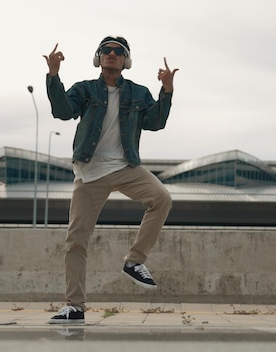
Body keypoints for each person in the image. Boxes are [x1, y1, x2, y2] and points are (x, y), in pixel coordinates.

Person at [43, 36, 179, 325]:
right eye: (107, 50)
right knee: (76, 240)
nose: (112, 54)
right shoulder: (86, 89)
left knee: (162, 199)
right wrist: (54, 76)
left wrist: (166, 91)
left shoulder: (138, 93)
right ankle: (74, 307)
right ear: (99, 57)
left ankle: (135, 261)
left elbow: (155, 122)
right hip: (90, 172)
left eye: (119, 52)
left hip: (125, 166)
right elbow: (63, 111)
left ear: (126, 60)